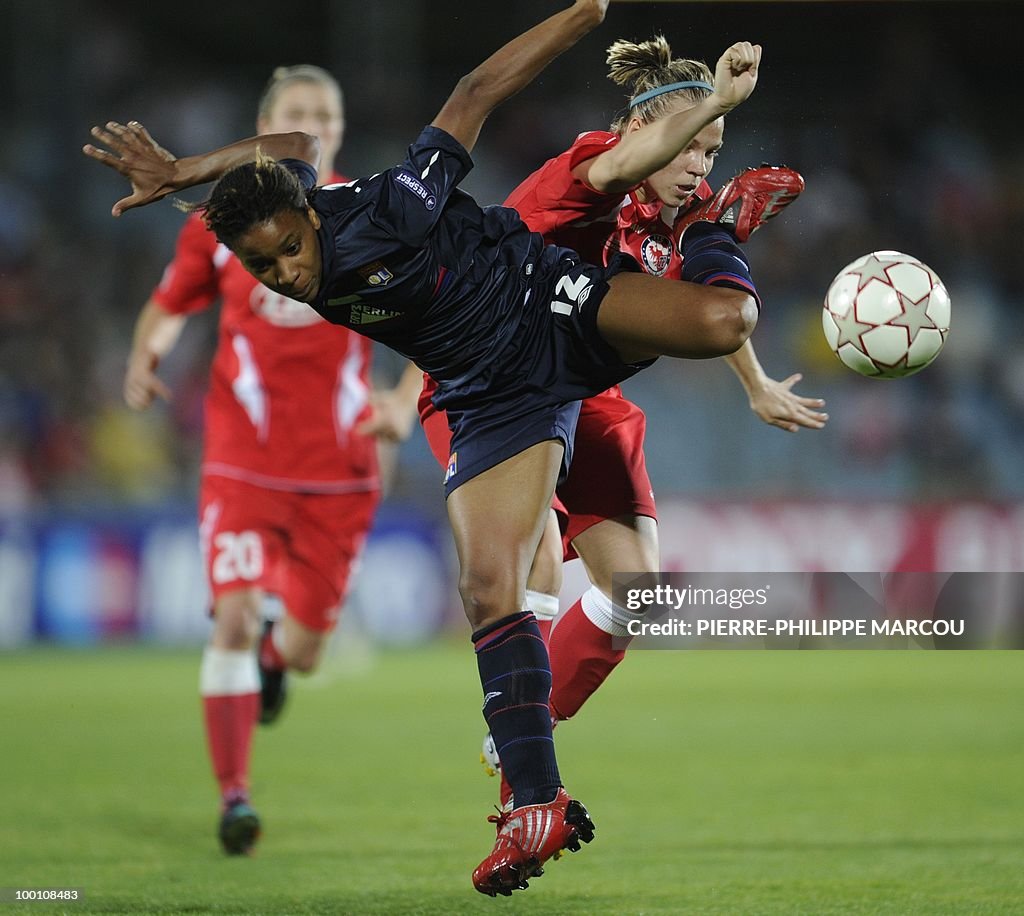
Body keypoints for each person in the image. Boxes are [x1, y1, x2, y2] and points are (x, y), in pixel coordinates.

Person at [84, 0, 773, 895]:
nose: (289, 273)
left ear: (311, 220)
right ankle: (536, 807)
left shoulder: (394, 206)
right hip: (485, 391)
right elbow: (287, 151)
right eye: (266, 268)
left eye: (291, 251)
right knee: (486, 586)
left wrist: (583, 15)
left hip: (541, 306)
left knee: (727, 317)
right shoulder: (292, 204)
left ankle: (705, 232)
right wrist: (183, 175)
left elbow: (475, 89)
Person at [415, 32, 826, 805]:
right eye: (691, 146)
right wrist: (717, 128)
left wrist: (756, 380)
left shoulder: (687, 211)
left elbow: (696, 312)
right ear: (644, 133)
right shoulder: (591, 165)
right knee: (529, 560)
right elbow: (621, 178)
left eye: (714, 149)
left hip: (582, 387)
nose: (702, 166)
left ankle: (516, 738)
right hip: (493, 383)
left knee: (639, 590)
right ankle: (526, 770)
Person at [121, 64, 416, 857]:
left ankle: (279, 664)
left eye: (325, 110)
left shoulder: (365, 215)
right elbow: (171, 303)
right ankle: (235, 797)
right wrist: (147, 353)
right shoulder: (215, 223)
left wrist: (403, 399)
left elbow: (434, 309)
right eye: (297, 111)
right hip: (242, 463)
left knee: (309, 647)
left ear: (337, 129)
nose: (313, 119)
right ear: (265, 126)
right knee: (235, 614)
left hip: (341, 469)